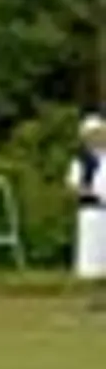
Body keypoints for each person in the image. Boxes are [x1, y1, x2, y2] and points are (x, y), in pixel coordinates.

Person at [68, 114, 106, 302]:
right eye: (93, 133)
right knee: (92, 257)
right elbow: (74, 186)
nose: (98, 136)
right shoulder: (81, 160)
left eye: (100, 132)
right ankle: (94, 298)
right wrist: (92, 193)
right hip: (92, 211)